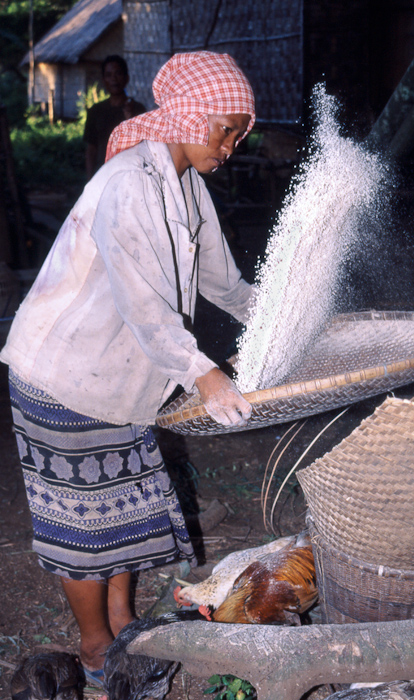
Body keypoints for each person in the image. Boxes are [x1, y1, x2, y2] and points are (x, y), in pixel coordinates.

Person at [0, 51, 255, 684]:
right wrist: (204, 371)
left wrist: (286, 318)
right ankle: (95, 652)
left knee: (121, 515)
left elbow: (225, 283)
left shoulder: (187, 184)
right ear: (189, 116)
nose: (230, 145)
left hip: (120, 379)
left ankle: (123, 635)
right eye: (224, 128)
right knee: (86, 530)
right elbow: (144, 303)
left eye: (237, 134)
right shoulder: (127, 182)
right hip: (64, 376)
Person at [84, 55, 146, 179]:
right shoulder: (95, 111)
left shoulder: (137, 110)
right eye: (109, 75)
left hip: (130, 175)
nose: (114, 79)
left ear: (126, 78)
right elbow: (91, 149)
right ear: (103, 79)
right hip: (102, 175)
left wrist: (130, 118)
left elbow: (143, 147)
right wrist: (90, 180)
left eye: (118, 73)